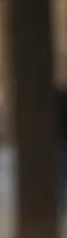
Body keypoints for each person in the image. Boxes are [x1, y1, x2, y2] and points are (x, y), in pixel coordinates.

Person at [56, 58, 67, 214]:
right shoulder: (57, 96)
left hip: (59, 139)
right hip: (60, 140)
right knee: (60, 174)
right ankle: (61, 204)